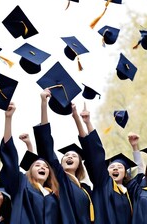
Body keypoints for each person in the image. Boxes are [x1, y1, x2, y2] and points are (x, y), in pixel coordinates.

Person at [72, 102, 144, 224]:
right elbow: (95, 154)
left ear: (126, 172)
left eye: (119, 167)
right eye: (112, 167)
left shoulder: (130, 191)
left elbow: (141, 174)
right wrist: (86, 122)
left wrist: (135, 147)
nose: (115, 169)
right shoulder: (103, 183)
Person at [33, 89, 94, 224]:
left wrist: (77, 118)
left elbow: (93, 154)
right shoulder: (61, 179)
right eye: (66, 155)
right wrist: (44, 103)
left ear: (80, 164)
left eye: (74, 156)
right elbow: (47, 146)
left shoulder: (86, 190)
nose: (69, 157)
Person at [0, 102, 61, 224]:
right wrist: (8, 118)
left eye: (45, 166)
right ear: (30, 171)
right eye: (37, 165)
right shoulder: (21, 185)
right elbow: (10, 160)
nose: (42, 167)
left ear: (49, 173)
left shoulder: (53, 194)